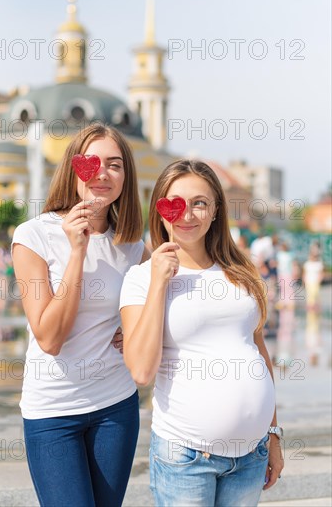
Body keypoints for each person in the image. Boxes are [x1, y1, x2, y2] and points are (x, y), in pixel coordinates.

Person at [120, 160, 284, 507]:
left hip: (251, 455)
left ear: (215, 211)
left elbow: (257, 351)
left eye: (200, 202)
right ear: (160, 210)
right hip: (188, 458)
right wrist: (160, 283)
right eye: (175, 202)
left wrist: (273, 434)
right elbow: (141, 371)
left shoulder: (241, 271)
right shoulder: (141, 278)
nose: (188, 214)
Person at [12, 122, 150, 507]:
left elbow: (164, 308)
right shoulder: (33, 236)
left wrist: (134, 328)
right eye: (91, 162)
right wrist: (77, 252)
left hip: (116, 408)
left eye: (115, 164)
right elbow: (49, 338)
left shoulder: (134, 247)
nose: (102, 173)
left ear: (126, 176)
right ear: (72, 170)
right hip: (53, 413)